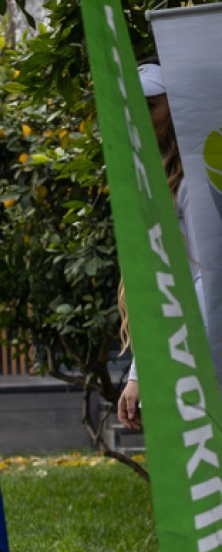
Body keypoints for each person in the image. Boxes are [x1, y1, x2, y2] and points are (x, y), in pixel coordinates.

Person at [117, 59, 214, 430]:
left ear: (175, 109)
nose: (140, 116)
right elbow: (161, 290)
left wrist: (176, 366)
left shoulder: (194, 180)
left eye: (151, 105)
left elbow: (207, 278)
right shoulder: (150, 181)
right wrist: (138, 374)